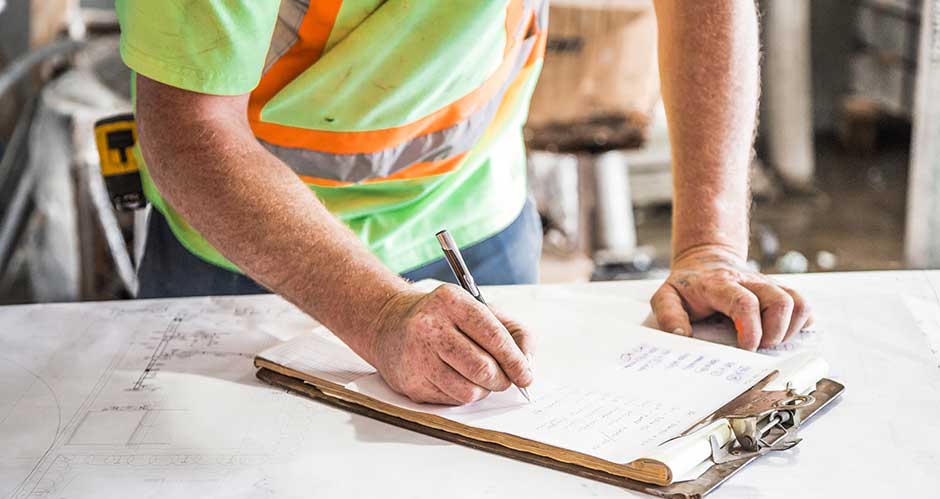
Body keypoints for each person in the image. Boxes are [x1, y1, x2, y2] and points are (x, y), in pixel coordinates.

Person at [116, 0, 810, 406]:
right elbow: (188, 127)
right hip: (249, 252)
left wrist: (709, 245)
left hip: (477, 217)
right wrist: (378, 311)